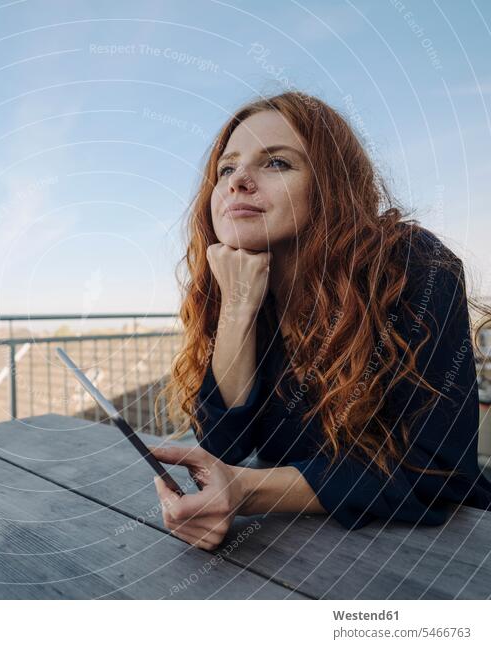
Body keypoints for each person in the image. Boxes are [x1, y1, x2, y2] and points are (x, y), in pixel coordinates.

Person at [149, 90, 491, 551]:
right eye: (226, 168)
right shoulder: (244, 282)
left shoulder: (412, 267)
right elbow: (223, 446)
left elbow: (437, 469)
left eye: (276, 164)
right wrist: (238, 308)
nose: (238, 182)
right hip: (305, 546)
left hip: (440, 548)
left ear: (331, 186)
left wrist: (247, 489)